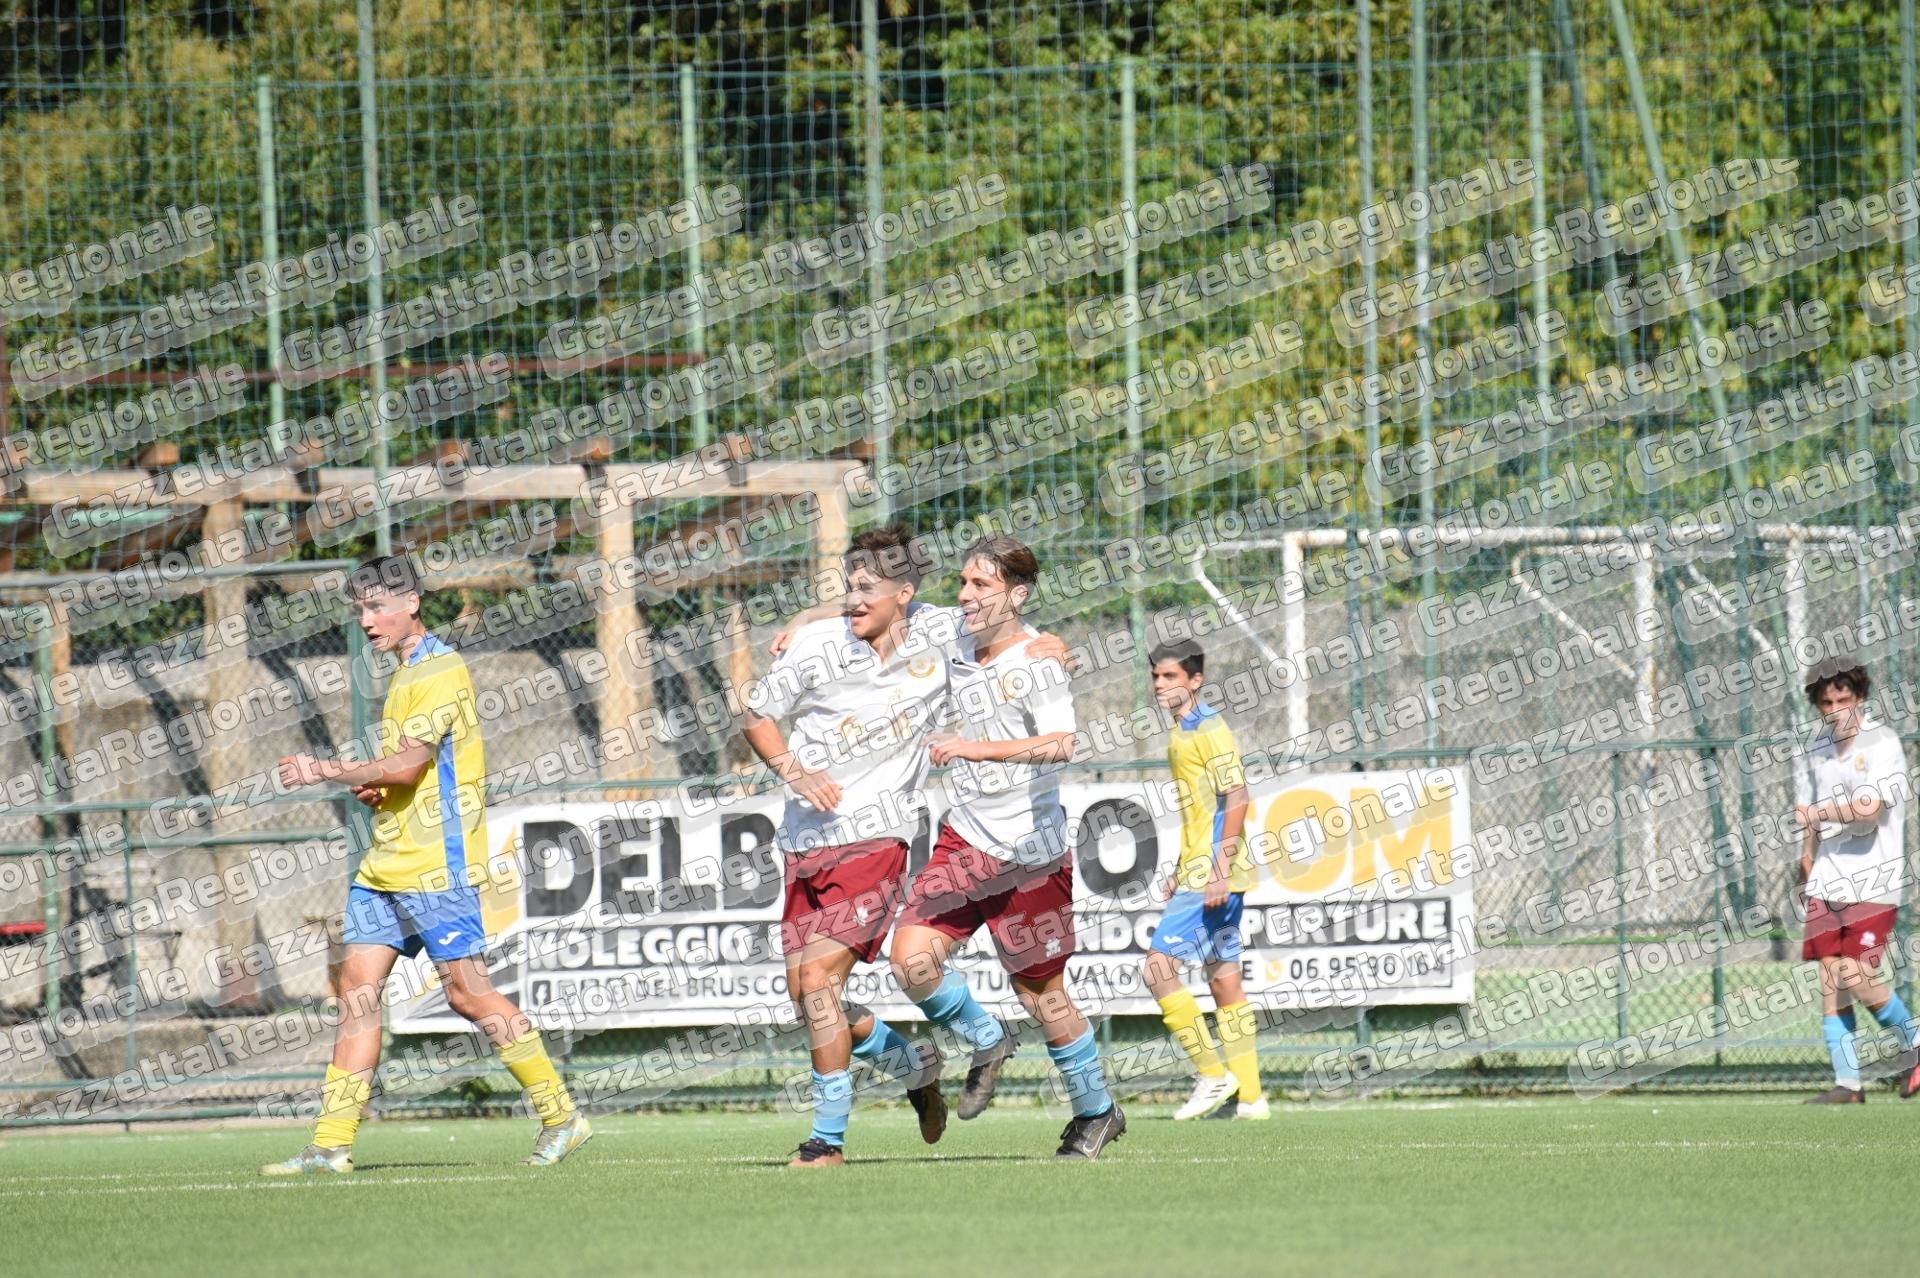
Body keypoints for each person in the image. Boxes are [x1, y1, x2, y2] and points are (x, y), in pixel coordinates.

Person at [262, 553, 590, 1173]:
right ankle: (331, 1145)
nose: (366, 621)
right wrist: (378, 789)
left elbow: (409, 765)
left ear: (412, 603)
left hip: (435, 867)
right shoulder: (406, 672)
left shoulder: (440, 669)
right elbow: (410, 773)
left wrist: (325, 769)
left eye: (377, 607)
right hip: (384, 865)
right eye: (360, 610)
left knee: (468, 994)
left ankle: (561, 1115)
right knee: (357, 994)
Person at [889, 535, 1125, 1160]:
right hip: (965, 841)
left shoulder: (1039, 662)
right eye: (963, 582)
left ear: (1017, 596)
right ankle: (988, 1039)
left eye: (981, 585)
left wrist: (973, 749)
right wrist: (798, 626)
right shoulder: (954, 632)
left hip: (1029, 856)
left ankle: (1096, 1112)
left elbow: (1062, 744)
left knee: (1041, 997)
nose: (965, 595)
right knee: (911, 961)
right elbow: (882, 600)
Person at [742, 526, 955, 1167]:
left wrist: (1046, 647)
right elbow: (756, 712)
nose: (854, 599)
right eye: (849, 587)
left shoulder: (941, 633)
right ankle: (915, 1067)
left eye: (868, 588)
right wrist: (795, 771)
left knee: (817, 982)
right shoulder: (817, 643)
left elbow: (1000, 625)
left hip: (878, 836)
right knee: (806, 994)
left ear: (905, 594)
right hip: (806, 839)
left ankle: (826, 1140)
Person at [1140, 640, 1267, 1121]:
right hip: (1205, 869)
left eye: (1170, 676)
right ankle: (1251, 1099)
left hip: (1214, 872)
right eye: (1156, 676)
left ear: (1195, 680)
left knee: (1157, 969)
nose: (1160, 684)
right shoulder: (1183, 730)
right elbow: (1202, 810)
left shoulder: (1208, 727)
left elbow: (1238, 795)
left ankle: (1213, 1074)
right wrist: (1181, 866)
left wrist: (1217, 870)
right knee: (1223, 979)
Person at [1793, 655, 1920, 1103]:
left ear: (1860, 698)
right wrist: (1805, 863)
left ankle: (1914, 1042)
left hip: (1874, 881)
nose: (1834, 711)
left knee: (1855, 972)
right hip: (1826, 881)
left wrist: (1819, 813)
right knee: (1832, 979)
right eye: (1825, 703)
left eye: (1842, 700)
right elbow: (1805, 814)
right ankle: (1848, 1084)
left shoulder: (1882, 744)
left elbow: (1870, 810)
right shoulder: (1814, 748)